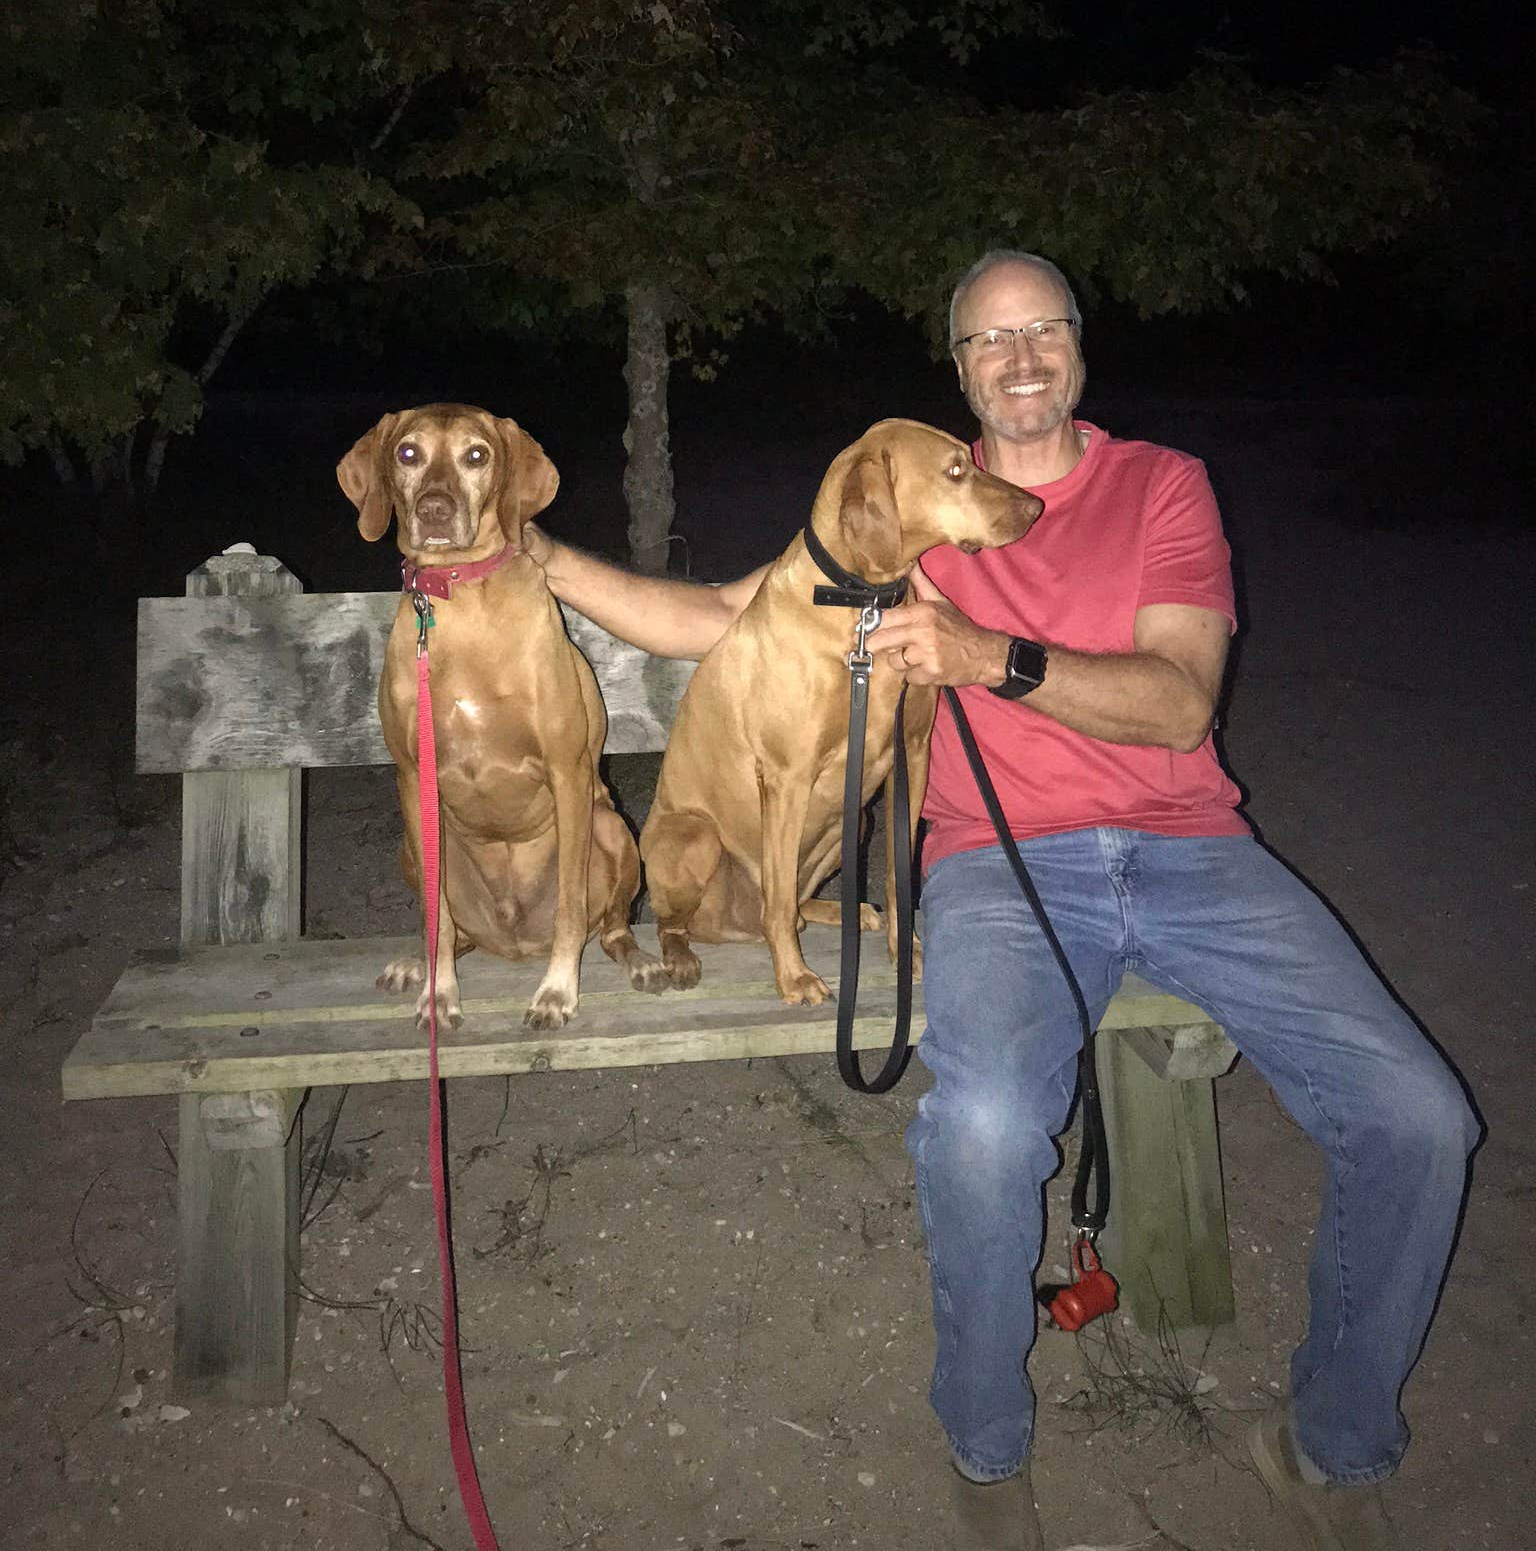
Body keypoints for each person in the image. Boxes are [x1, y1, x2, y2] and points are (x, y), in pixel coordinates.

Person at [527, 250, 1479, 1551]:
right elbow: (705, 616)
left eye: (1044, 331)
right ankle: (986, 1447)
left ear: (1080, 347)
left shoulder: (1163, 486)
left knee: (1421, 1119)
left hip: (1195, 851)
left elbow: (1180, 701)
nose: (1021, 358)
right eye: (990, 341)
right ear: (960, 369)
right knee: (978, 1127)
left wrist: (990, 659)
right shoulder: (920, 511)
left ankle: (1332, 1440)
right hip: (995, 867)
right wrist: (545, 562)